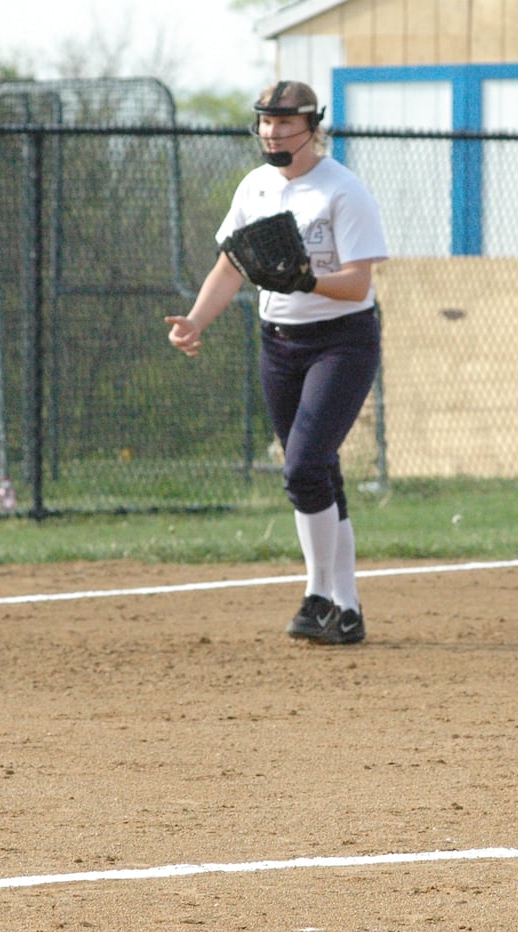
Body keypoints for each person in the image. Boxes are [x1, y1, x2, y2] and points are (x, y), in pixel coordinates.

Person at [165, 81, 388, 646]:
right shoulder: (256, 187)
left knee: (302, 467)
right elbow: (230, 267)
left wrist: (309, 279)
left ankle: (317, 597)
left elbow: (359, 283)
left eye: (286, 125)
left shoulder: (342, 190)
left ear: (313, 127)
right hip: (280, 342)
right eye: (265, 124)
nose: (273, 133)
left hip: (341, 341)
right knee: (319, 471)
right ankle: (347, 608)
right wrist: (196, 321)